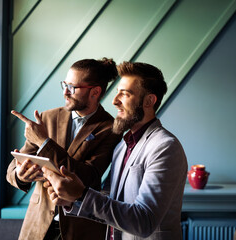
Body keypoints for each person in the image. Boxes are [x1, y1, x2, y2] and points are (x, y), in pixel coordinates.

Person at [42, 61, 188, 240]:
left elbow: (144, 221)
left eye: (125, 94)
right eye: (117, 92)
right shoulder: (121, 147)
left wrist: (82, 194)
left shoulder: (165, 147)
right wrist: (73, 200)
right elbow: (109, 204)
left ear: (149, 101)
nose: (114, 100)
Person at [6, 58, 122, 240]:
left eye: (72, 88)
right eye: (64, 85)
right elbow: (14, 167)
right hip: (37, 225)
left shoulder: (110, 129)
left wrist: (44, 142)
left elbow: (88, 177)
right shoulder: (47, 117)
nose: (65, 92)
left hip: (81, 228)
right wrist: (20, 176)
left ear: (95, 92)